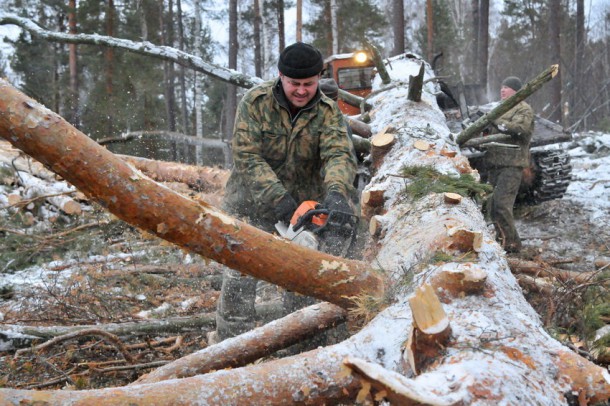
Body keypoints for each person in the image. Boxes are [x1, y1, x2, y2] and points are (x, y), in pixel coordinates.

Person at [213, 42, 358, 342]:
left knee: (301, 274)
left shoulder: (328, 112)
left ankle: (300, 343)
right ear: (281, 76)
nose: (302, 91)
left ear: (318, 78)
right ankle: (230, 346)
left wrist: (336, 192)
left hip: (301, 211)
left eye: (309, 84)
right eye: (295, 84)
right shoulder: (255, 103)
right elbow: (247, 156)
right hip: (250, 203)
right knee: (240, 274)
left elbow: (338, 155)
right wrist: (277, 197)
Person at [482, 76, 534, 253]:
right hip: (495, 164)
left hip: (511, 165)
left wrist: (495, 120)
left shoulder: (523, 109)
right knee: (491, 206)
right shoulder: (502, 109)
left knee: (502, 206)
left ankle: (512, 246)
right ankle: (501, 240)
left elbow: (520, 130)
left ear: (516, 91)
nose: (502, 90)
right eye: (501, 87)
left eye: (507, 87)